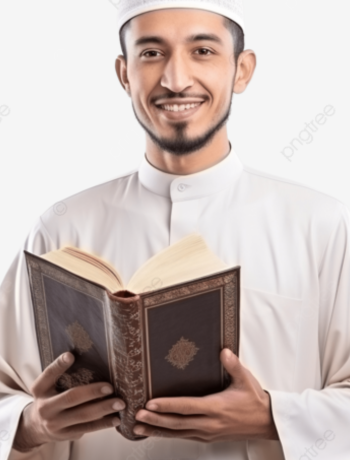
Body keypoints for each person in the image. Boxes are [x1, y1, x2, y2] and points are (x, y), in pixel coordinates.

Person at [0, 1, 349, 459]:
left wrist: (270, 417)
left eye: (202, 50)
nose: (175, 79)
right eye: (151, 53)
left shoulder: (321, 224)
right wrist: (30, 425)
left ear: (242, 70)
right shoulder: (62, 228)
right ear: (124, 74)